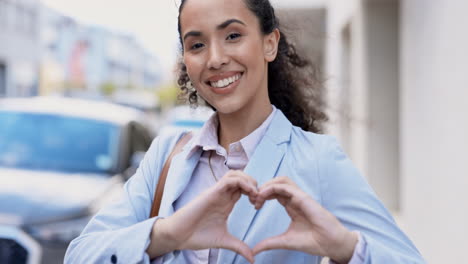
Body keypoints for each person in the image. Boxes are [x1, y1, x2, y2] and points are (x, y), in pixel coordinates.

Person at [65, 0, 425, 263]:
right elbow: (80, 255)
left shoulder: (317, 160)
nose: (215, 58)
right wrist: (168, 234)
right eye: (197, 44)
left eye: (233, 35)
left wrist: (347, 248)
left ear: (269, 43)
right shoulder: (167, 154)